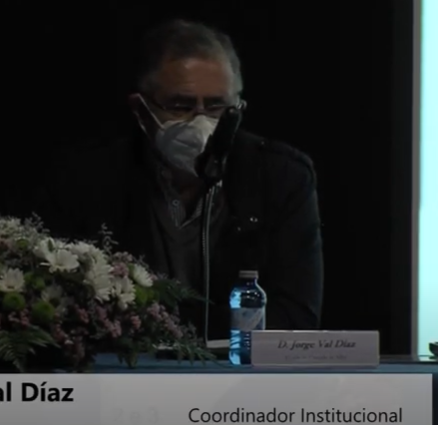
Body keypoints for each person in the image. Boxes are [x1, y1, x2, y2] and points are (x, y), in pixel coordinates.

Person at [26, 19, 323, 340]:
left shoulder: (281, 176)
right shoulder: (88, 178)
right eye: (181, 106)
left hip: (238, 368)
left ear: (238, 108)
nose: (201, 123)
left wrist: (160, 324)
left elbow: (295, 317)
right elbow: (62, 306)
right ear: (141, 110)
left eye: (216, 106)